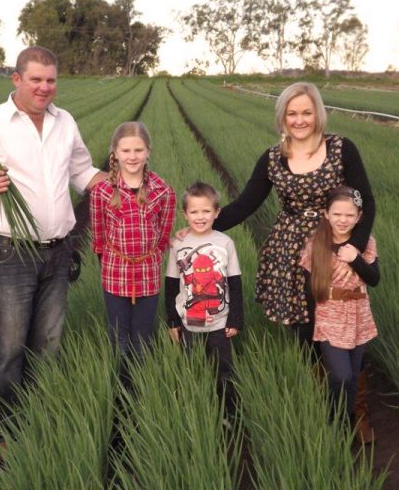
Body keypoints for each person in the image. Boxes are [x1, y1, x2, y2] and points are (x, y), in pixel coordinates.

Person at [207, 82, 377, 441]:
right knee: (306, 330)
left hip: (335, 251)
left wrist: (353, 251)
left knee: (345, 330)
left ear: (318, 113)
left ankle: (357, 411)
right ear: (282, 116)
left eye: (306, 112)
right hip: (290, 254)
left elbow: (367, 202)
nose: (299, 119)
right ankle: (326, 398)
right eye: (292, 112)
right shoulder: (272, 157)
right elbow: (244, 204)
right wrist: (203, 226)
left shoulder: (341, 148)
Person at [0, 46, 107, 446]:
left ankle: (41, 417)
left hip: (59, 251)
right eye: (36, 79)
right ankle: (4, 433)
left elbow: (81, 171)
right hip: (12, 251)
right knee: (8, 346)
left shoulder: (65, 121)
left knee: (48, 342)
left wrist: (126, 184)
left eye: (51, 80)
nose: (44, 88)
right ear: (17, 79)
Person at [89, 121, 175, 368]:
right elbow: (99, 238)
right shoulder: (102, 192)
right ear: (115, 153)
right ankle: (120, 387)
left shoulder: (163, 191)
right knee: (118, 334)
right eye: (126, 151)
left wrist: (147, 258)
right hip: (115, 274)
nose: (132, 156)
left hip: (148, 274)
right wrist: (110, 263)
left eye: (138, 150)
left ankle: (140, 387)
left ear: (148, 151)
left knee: (143, 336)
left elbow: (163, 236)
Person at [299, 186, 379, 437]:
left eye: (349, 215)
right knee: (341, 376)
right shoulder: (316, 245)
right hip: (328, 316)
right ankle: (335, 418)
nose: (342, 220)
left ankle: (354, 417)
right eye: (337, 214)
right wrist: (311, 327)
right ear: (326, 214)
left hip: (358, 314)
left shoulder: (365, 244)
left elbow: (374, 279)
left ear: (358, 217)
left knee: (354, 374)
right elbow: (307, 288)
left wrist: (354, 258)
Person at [165, 182, 244, 419]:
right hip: (188, 323)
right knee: (192, 369)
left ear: (217, 212)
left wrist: (236, 318)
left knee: (224, 370)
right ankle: (197, 411)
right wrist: (172, 321)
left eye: (206, 211)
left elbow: (235, 282)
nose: (201, 217)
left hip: (220, 323)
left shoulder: (225, 243)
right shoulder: (178, 244)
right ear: (185, 214)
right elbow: (170, 284)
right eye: (194, 211)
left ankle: (229, 414)